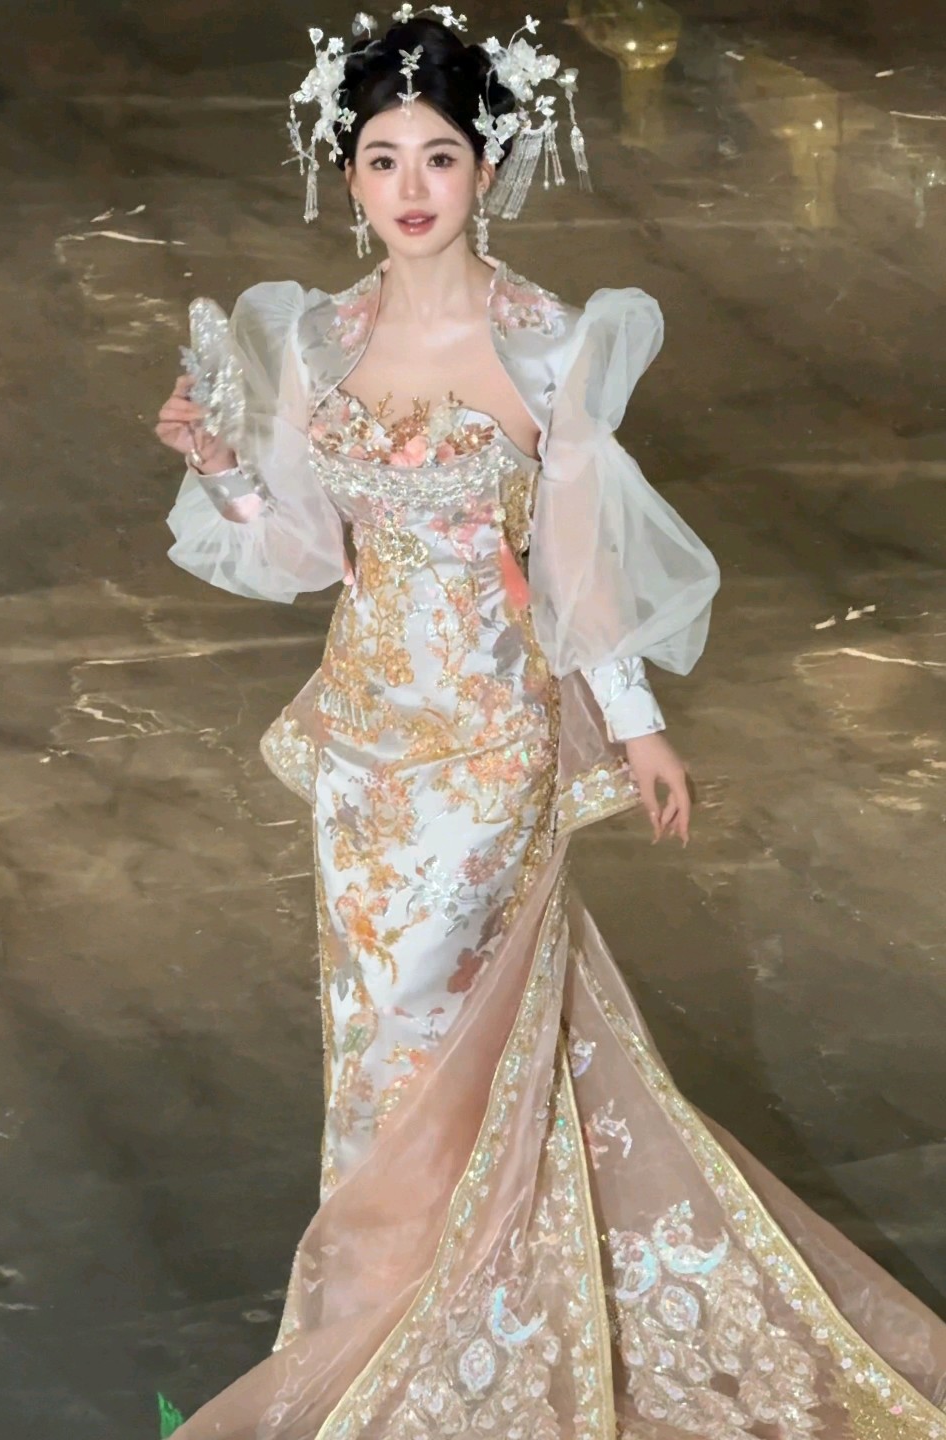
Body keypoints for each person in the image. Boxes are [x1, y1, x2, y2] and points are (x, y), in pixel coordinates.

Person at [153, 10, 946, 1438]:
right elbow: (305, 555)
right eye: (381, 157)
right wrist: (226, 469)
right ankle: (390, 1330)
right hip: (364, 753)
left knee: (433, 1014)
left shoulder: (549, 347)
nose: (409, 188)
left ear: (490, 162)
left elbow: (576, 570)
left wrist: (636, 726)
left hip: (488, 744)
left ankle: (443, 1341)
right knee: (378, 1040)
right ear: (345, 172)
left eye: (439, 156)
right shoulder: (316, 340)